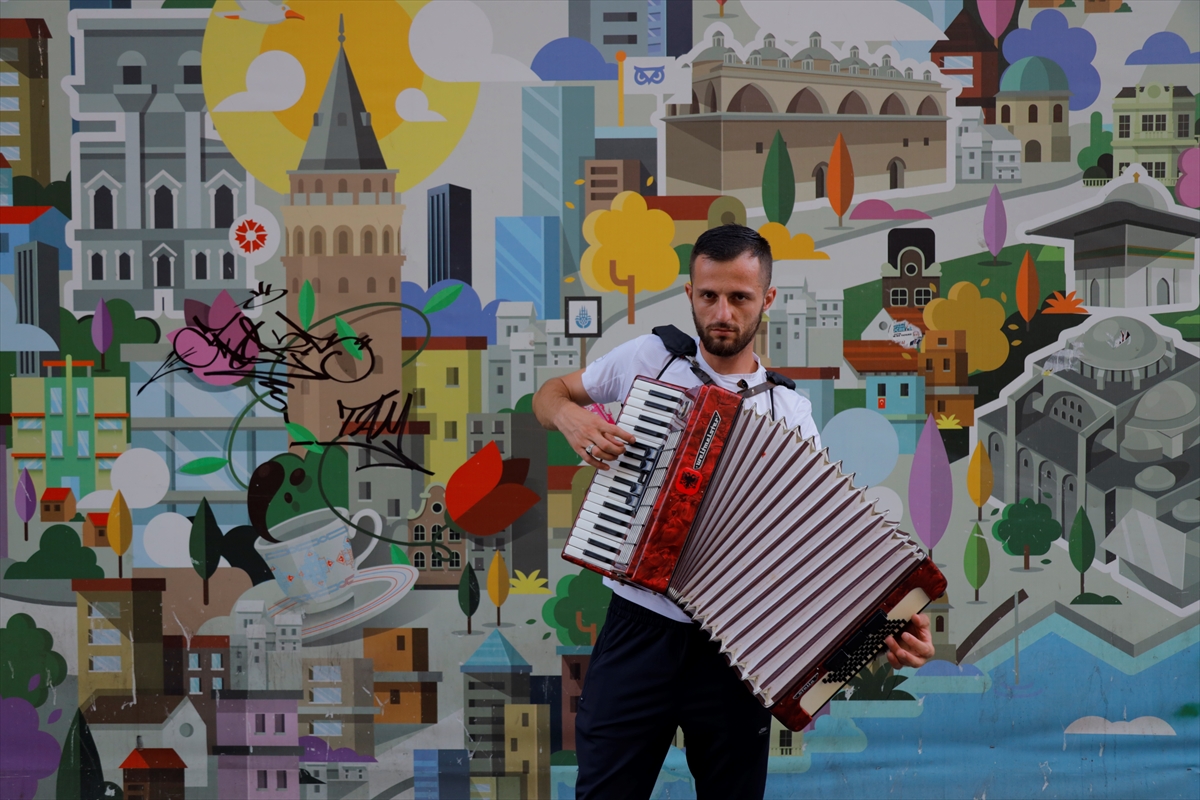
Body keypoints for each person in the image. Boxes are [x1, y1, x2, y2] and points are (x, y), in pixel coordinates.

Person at [533, 225, 935, 799]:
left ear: (767, 298)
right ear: (690, 293)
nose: (722, 313)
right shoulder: (650, 358)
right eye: (709, 295)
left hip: (734, 648)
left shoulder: (789, 412)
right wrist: (569, 417)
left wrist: (890, 623)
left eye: (740, 297)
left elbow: (816, 550)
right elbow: (550, 393)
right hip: (638, 630)